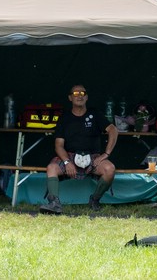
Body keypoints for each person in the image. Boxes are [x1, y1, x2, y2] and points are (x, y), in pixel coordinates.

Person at [40, 85, 118, 214]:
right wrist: (66, 162)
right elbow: (58, 145)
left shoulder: (95, 114)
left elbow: (113, 130)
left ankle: (95, 200)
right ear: (70, 98)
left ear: (87, 97)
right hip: (70, 156)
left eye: (83, 93)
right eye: (76, 93)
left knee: (110, 169)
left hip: (93, 156)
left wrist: (106, 154)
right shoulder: (64, 117)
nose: (79, 95)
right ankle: (54, 204)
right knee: (51, 168)